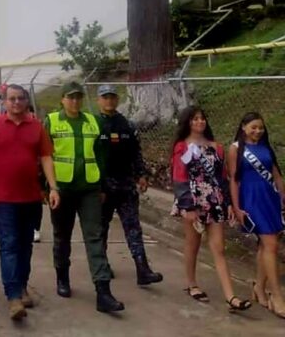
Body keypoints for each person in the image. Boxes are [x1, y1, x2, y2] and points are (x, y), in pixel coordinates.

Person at [0, 84, 60, 320]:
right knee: (9, 244)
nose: (16, 103)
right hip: (3, 198)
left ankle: (22, 285)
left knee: (26, 245)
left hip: (31, 197)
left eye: (20, 99)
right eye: (11, 99)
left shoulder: (37, 127)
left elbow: (46, 158)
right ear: (4, 102)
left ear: (26, 101)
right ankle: (13, 295)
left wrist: (53, 187)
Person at [45, 82, 124, 313]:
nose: (75, 101)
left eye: (79, 97)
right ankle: (62, 277)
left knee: (94, 237)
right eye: (70, 98)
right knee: (62, 237)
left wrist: (101, 186)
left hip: (89, 188)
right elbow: (44, 155)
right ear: (62, 99)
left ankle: (103, 291)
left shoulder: (93, 121)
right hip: (62, 189)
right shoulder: (51, 121)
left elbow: (100, 154)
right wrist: (48, 187)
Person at [171, 106, 251, 312]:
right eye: (195, 119)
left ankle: (230, 296)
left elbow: (223, 177)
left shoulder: (217, 147)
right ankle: (191, 283)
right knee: (193, 244)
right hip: (193, 201)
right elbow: (179, 177)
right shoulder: (182, 147)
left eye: (202, 118)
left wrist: (229, 204)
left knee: (219, 249)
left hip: (214, 201)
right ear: (188, 122)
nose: (200, 122)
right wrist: (187, 206)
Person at [96, 85, 163, 285]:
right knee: (101, 228)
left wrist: (141, 175)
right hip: (103, 187)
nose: (109, 101)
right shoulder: (93, 125)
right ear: (99, 100)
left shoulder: (127, 124)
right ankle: (101, 265)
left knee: (133, 226)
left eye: (112, 97)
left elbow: (136, 153)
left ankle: (143, 269)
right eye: (105, 97)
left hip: (125, 185)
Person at [229, 112, 285, 319]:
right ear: (243, 127)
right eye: (253, 127)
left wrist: (283, 197)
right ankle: (277, 296)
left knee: (266, 245)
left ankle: (259, 288)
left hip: (270, 198)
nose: (257, 131)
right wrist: (236, 207)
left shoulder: (265, 146)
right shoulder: (236, 149)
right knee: (271, 245)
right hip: (251, 200)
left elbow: (276, 175)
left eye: (260, 127)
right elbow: (233, 180)